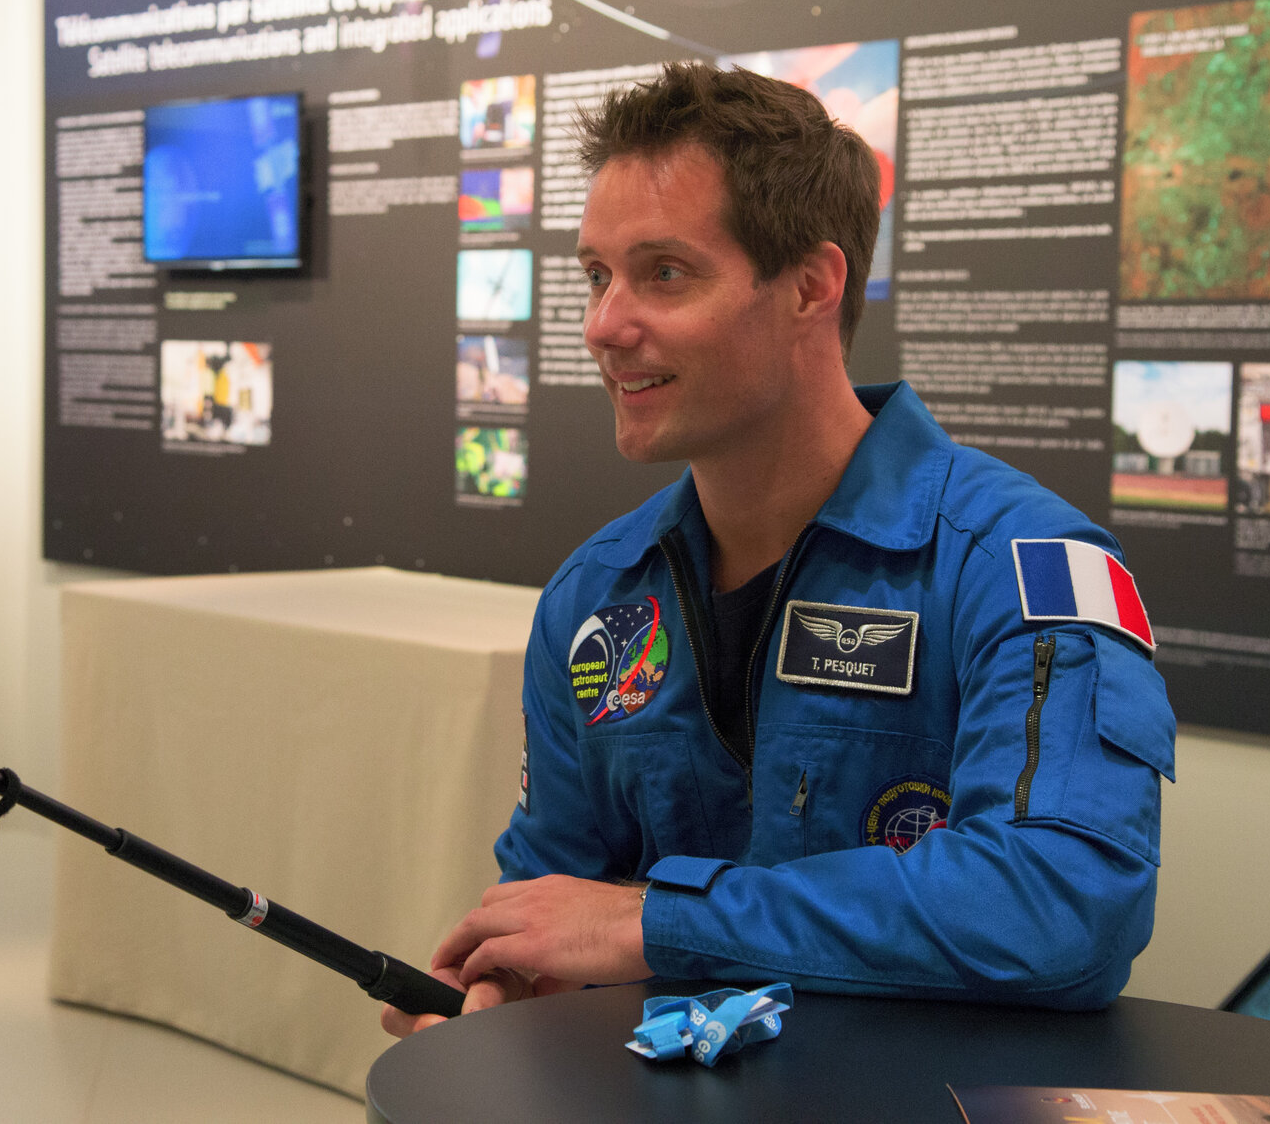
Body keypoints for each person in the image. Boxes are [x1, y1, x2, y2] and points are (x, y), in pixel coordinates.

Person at [382, 62, 1177, 1038]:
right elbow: (552, 897)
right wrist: (494, 1003)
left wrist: (658, 921)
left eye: (663, 273)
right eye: (596, 275)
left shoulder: (1018, 566)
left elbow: (1064, 908)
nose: (602, 325)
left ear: (810, 285)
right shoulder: (596, 596)